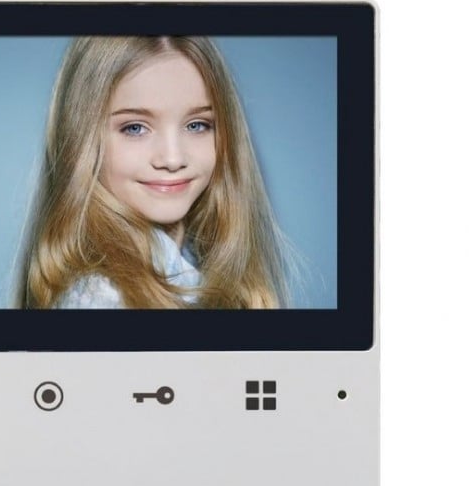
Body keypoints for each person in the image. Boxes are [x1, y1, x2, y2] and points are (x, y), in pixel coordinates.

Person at [19, 36, 290, 309]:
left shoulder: (197, 268)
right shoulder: (101, 297)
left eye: (196, 125)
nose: (173, 159)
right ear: (80, 141)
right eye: (135, 128)